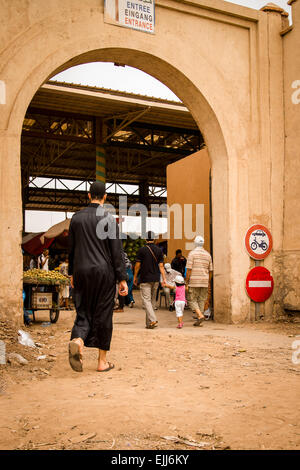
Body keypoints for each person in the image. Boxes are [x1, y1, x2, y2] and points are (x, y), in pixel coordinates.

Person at [68, 181, 128, 373]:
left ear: (88, 195)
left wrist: (71, 273)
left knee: (83, 310)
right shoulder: (109, 219)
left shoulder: (76, 219)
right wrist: (122, 278)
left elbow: (71, 249)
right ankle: (102, 362)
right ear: (105, 197)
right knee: (103, 314)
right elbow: (116, 252)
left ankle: (78, 340)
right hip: (103, 273)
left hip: (81, 271)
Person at [133, 231, 166, 329]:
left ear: (145, 239)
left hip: (145, 278)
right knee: (151, 302)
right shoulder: (159, 250)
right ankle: (148, 324)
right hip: (155, 279)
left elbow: (137, 265)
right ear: (154, 239)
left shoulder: (142, 250)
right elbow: (161, 266)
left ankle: (153, 319)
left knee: (146, 301)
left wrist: (135, 277)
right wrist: (163, 278)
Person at [185, 235, 213, 327]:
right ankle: (199, 318)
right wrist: (208, 281)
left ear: (195, 243)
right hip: (204, 281)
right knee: (201, 300)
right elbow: (210, 270)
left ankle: (200, 315)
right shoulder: (208, 255)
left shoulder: (192, 254)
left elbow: (189, 269)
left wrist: (187, 281)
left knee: (191, 299)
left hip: (194, 281)